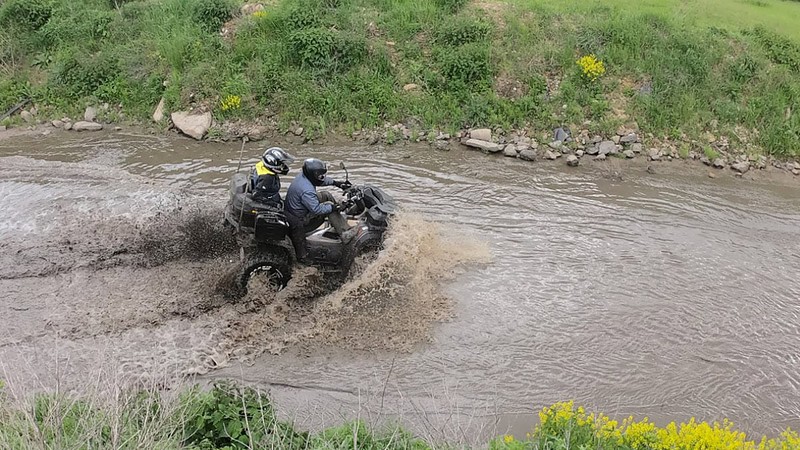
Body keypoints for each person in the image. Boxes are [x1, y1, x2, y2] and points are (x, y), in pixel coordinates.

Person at [284, 158, 355, 263]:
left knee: (326, 195)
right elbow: (317, 209)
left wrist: (337, 183)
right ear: (312, 174)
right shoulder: (306, 190)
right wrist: (335, 207)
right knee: (329, 206)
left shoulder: (303, 176)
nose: (321, 176)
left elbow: (320, 180)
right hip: (302, 220)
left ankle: (336, 225)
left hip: (296, 210)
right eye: (319, 174)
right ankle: (345, 235)